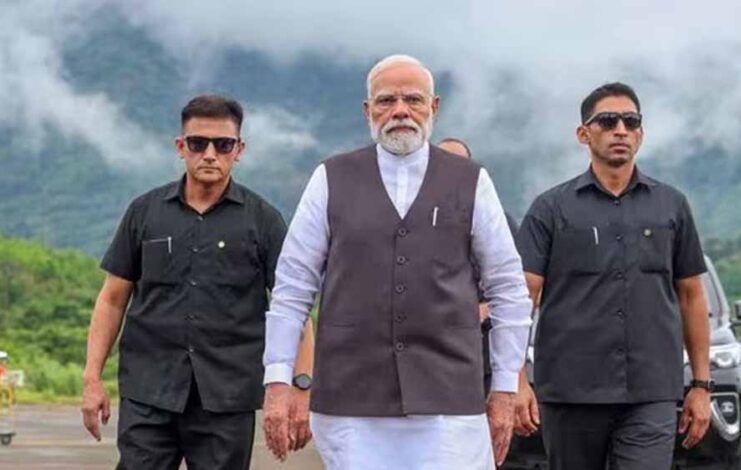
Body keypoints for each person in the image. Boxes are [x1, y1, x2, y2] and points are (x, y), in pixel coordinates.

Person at [262, 55, 533, 469]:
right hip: (351, 398)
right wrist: (278, 380)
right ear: (368, 110)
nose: (400, 111)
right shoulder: (330, 178)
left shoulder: (471, 181)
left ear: (433, 107)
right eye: (387, 100)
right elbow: (293, 286)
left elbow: (508, 288)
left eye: (413, 100)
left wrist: (505, 387)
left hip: (449, 400)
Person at [80, 95, 315, 470]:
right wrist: (92, 378)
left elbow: (294, 310)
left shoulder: (264, 221)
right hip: (149, 390)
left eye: (222, 145)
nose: (209, 154)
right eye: (197, 143)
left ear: (239, 150)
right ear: (180, 146)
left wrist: (300, 387)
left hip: (227, 398)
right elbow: (112, 299)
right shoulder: (144, 212)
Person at [514, 82, 712, 470]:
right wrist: (516, 380)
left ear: (640, 133)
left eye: (630, 121)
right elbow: (523, 298)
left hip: (651, 392)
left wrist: (702, 386)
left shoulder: (672, 206)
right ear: (583, 134)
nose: (620, 130)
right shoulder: (550, 209)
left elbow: (691, 295)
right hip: (570, 393)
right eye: (607, 121)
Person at [437, 137, 522, 394]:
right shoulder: (411, 222)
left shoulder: (498, 223)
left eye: (459, 166)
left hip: (484, 356)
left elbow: (517, 289)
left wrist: (482, 310)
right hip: (429, 358)